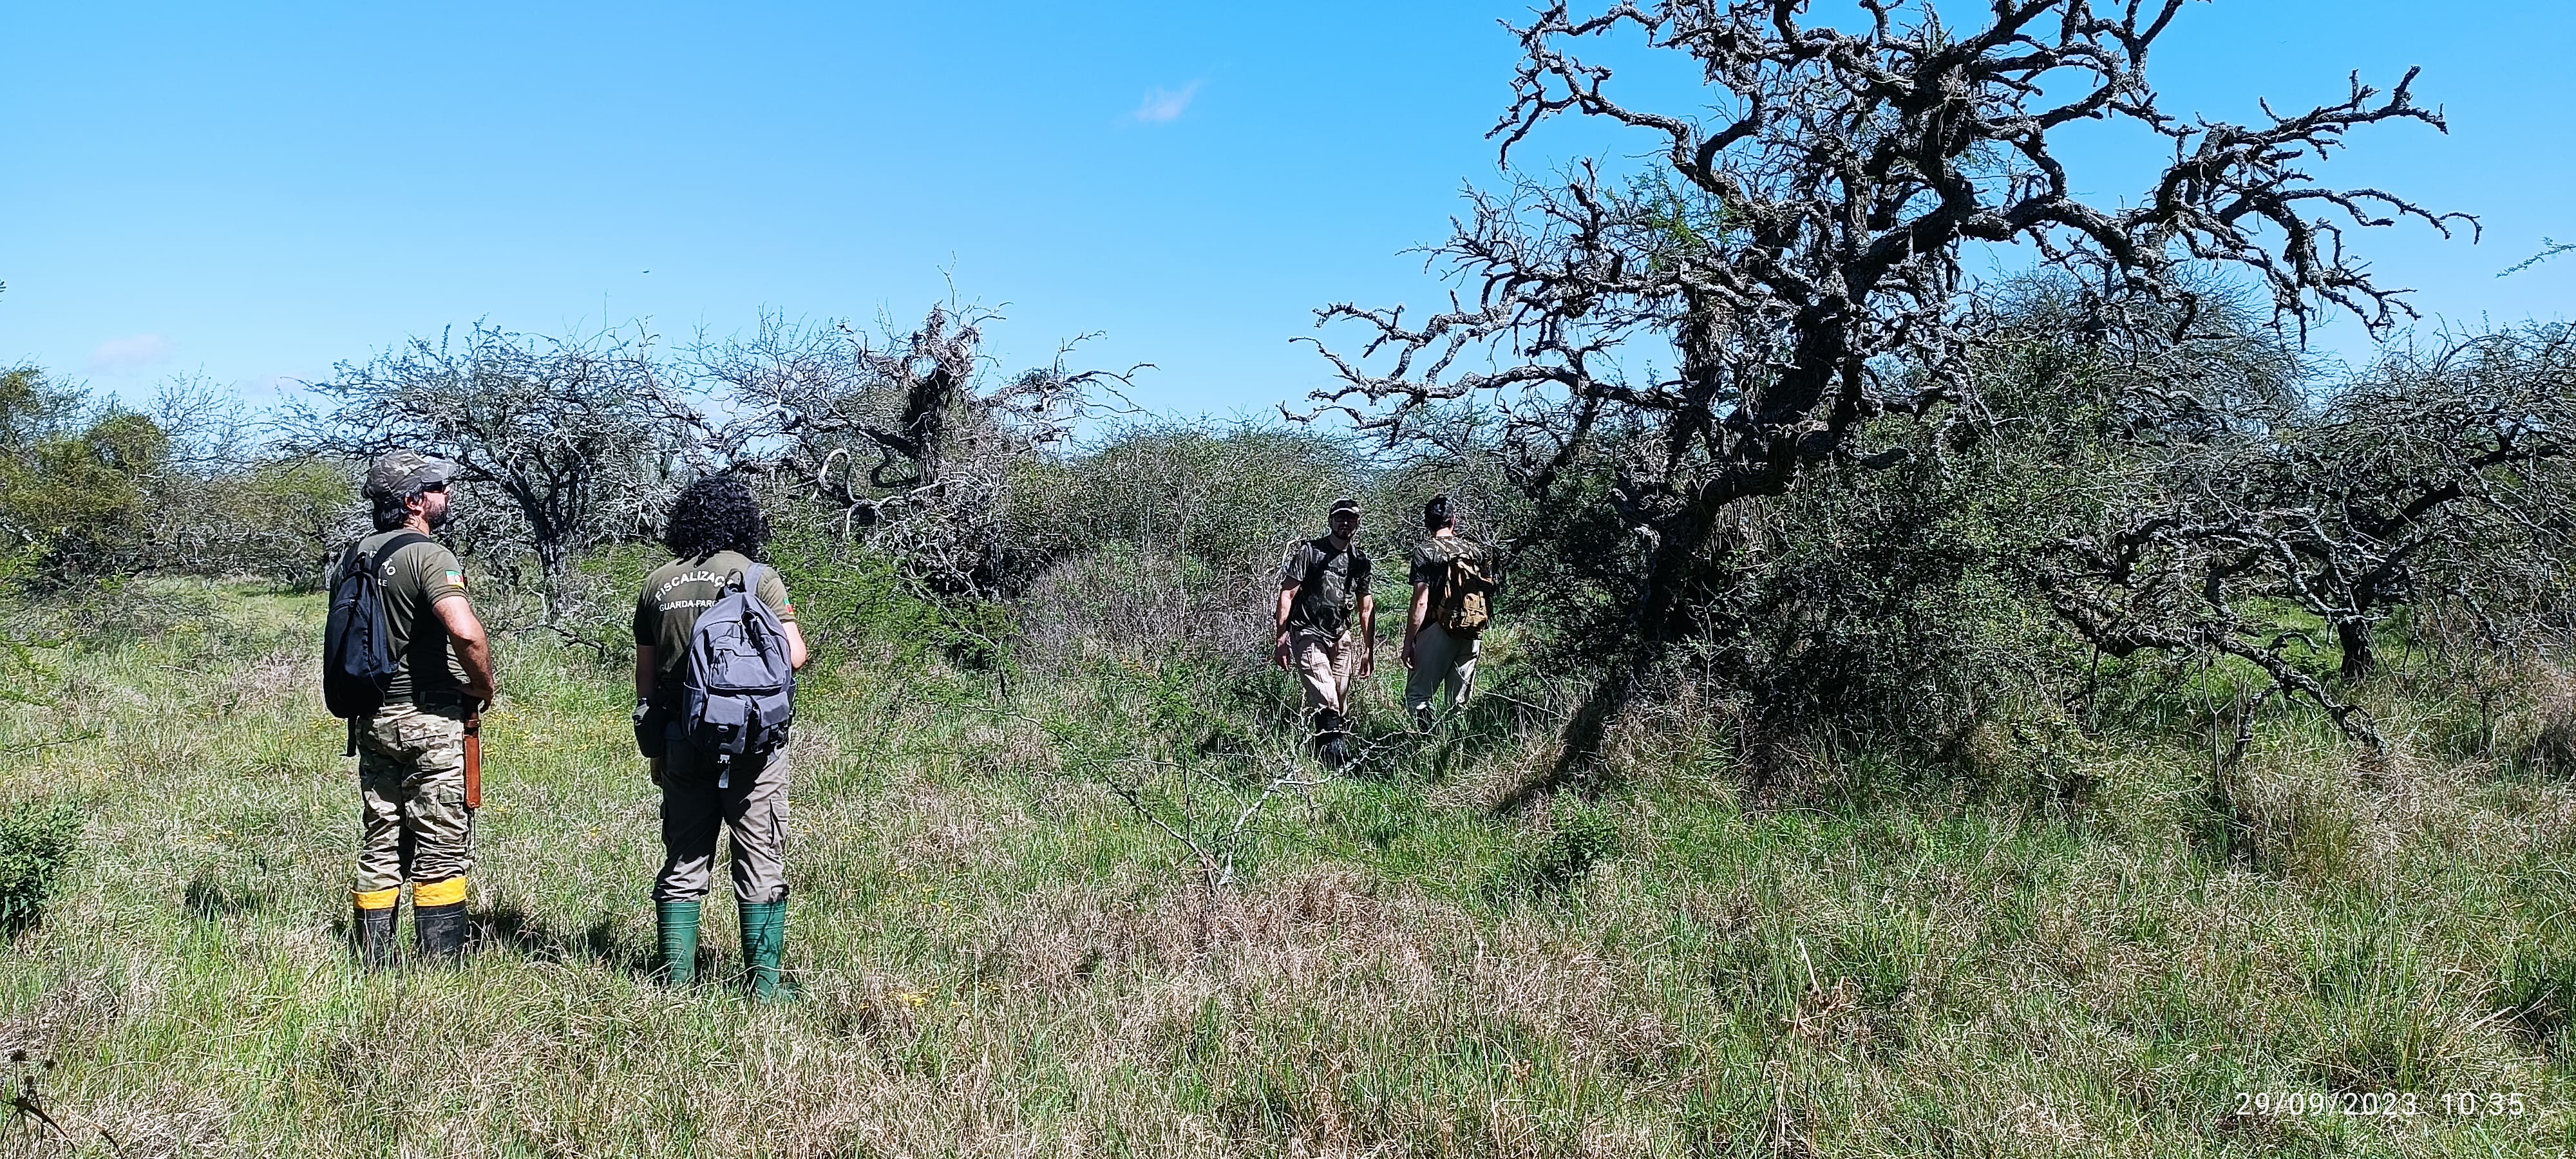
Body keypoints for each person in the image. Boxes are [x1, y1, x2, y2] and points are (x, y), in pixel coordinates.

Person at [634, 476, 810, 997]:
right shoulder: (759, 578)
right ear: (743, 521)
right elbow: (794, 655)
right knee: (760, 856)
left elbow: (645, 678)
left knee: (684, 857)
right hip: (754, 743)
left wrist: (655, 743)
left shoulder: (657, 582)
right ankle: (765, 986)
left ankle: (675, 982)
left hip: (682, 737)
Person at [343, 450, 497, 968]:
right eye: (436, 488)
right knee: (442, 841)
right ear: (413, 502)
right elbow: (465, 630)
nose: (446, 495)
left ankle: (374, 963)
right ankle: (441, 969)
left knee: (381, 838)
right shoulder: (430, 555)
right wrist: (483, 686)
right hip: (428, 718)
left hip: (372, 719)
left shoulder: (357, 554)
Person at [1274, 498, 1375, 767]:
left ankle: (1318, 750)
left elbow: (1366, 607)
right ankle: (1338, 762)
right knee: (1327, 695)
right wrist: (1282, 639)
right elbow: (1288, 593)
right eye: (1340, 518)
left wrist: (1368, 649)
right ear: (1331, 521)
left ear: (1357, 523)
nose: (1345, 523)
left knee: (1338, 699)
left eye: (1351, 519)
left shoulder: (1360, 561)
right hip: (1307, 631)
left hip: (1341, 635)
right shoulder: (1311, 552)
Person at [1402, 495, 1492, 730]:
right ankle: (1454, 749)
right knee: (1459, 702)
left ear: (1427, 523)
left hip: (1437, 629)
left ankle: (1426, 743)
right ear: (1453, 521)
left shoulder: (1425, 552)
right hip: (1473, 630)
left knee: (1418, 696)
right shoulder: (1475, 551)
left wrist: (1409, 641)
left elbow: (1421, 602)